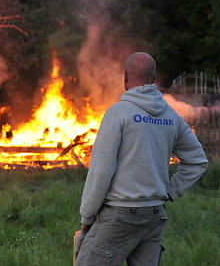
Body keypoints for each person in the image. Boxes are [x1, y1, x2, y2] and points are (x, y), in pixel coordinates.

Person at [74, 52, 208, 266]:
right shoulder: (171, 117)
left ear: (125, 77)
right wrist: (170, 191)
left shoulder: (118, 113)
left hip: (120, 214)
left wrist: (87, 217)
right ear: (153, 79)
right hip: (154, 215)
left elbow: (101, 171)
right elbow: (198, 161)